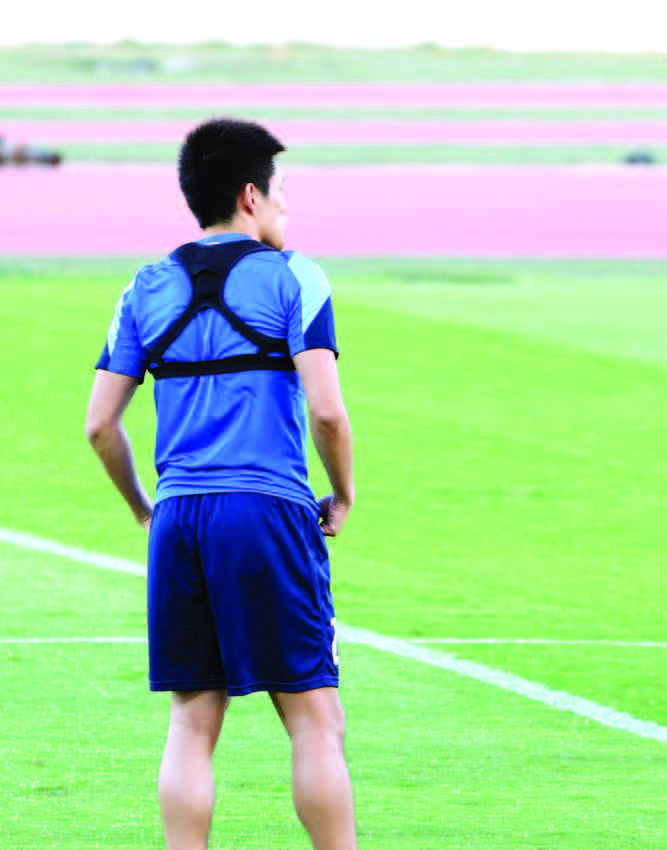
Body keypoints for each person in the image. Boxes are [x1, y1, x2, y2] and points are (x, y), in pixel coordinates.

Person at [86, 118, 358, 850]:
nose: (285, 206)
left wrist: (145, 508)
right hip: (267, 510)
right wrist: (342, 492)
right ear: (249, 195)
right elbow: (327, 412)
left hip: (179, 516)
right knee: (315, 718)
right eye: (280, 191)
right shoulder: (295, 275)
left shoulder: (143, 287)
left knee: (191, 721)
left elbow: (100, 426)